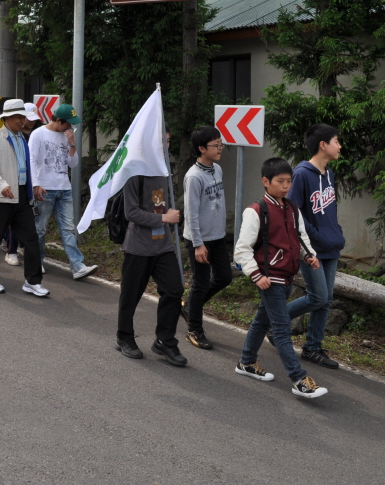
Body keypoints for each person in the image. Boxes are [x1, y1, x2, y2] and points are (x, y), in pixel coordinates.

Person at [234, 157, 328, 398]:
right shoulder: (256, 211)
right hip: (269, 279)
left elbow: (301, 237)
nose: (286, 186)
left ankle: (246, 363)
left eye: (289, 181)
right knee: (282, 329)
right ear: (266, 181)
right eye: (280, 181)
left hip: (287, 276)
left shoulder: (292, 208)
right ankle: (299, 380)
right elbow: (242, 249)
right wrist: (256, 275)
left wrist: (310, 257)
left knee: (261, 322)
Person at [114, 155, 187, 366]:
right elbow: (131, 212)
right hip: (138, 246)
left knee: (174, 290)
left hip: (162, 245)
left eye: (168, 143)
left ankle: (165, 340)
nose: (165, 148)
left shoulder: (164, 171)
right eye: (161, 142)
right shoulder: (134, 173)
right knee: (131, 295)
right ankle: (124, 337)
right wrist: (164, 218)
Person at [285, 124, 345, 370]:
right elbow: (293, 212)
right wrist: (315, 238)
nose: (339, 146)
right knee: (318, 296)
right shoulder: (301, 174)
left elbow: (328, 210)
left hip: (331, 245)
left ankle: (312, 348)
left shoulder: (329, 174)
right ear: (323, 145)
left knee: (327, 299)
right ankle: (272, 320)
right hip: (312, 247)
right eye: (336, 141)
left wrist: (335, 233)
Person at [0, 99, 47, 296]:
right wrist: (1, 184)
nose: (22, 120)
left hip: (21, 196)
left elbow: (26, 167)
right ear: (7, 118)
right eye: (18, 117)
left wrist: (34, 186)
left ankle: (33, 281)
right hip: (2, 197)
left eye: (23, 116)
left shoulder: (21, 139)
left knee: (31, 239)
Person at [28, 103, 97, 280]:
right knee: (40, 228)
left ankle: (78, 266)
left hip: (64, 188)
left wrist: (72, 144)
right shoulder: (38, 134)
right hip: (45, 188)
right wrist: (35, 185)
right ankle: (37, 261)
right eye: (68, 124)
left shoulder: (67, 137)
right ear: (59, 121)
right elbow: (31, 161)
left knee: (67, 228)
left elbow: (72, 164)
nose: (70, 127)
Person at [181, 125, 230, 350]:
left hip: (217, 236)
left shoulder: (217, 169)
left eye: (221, 143)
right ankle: (195, 329)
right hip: (198, 240)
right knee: (200, 284)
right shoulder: (193, 177)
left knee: (224, 277)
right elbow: (190, 214)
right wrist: (199, 244)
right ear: (202, 148)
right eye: (215, 145)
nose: (220, 148)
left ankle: (190, 306)